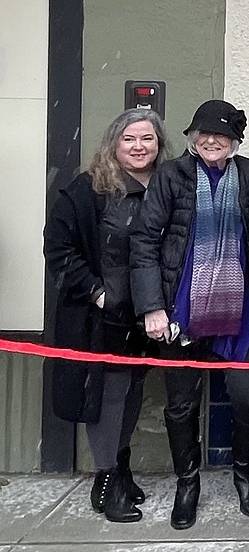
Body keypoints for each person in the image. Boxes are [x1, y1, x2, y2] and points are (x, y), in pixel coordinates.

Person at [130, 100, 249, 530]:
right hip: (179, 308)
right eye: (204, 133)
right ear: (192, 138)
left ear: (235, 142)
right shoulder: (171, 175)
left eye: (222, 135)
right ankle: (186, 483)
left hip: (238, 308)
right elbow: (144, 241)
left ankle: (244, 474)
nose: (212, 140)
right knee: (181, 404)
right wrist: (152, 306)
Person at [44, 109, 169, 523]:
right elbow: (59, 250)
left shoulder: (166, 187)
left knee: (132, 392)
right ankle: (106, 480)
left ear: (158, 144)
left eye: (147, 139)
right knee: (107, 397)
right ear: (114, 143)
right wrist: (97, 294)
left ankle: (121, 465)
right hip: (101, 316)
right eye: (130, 139)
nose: (139, 147)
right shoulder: (87, 190)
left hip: (146, 312)